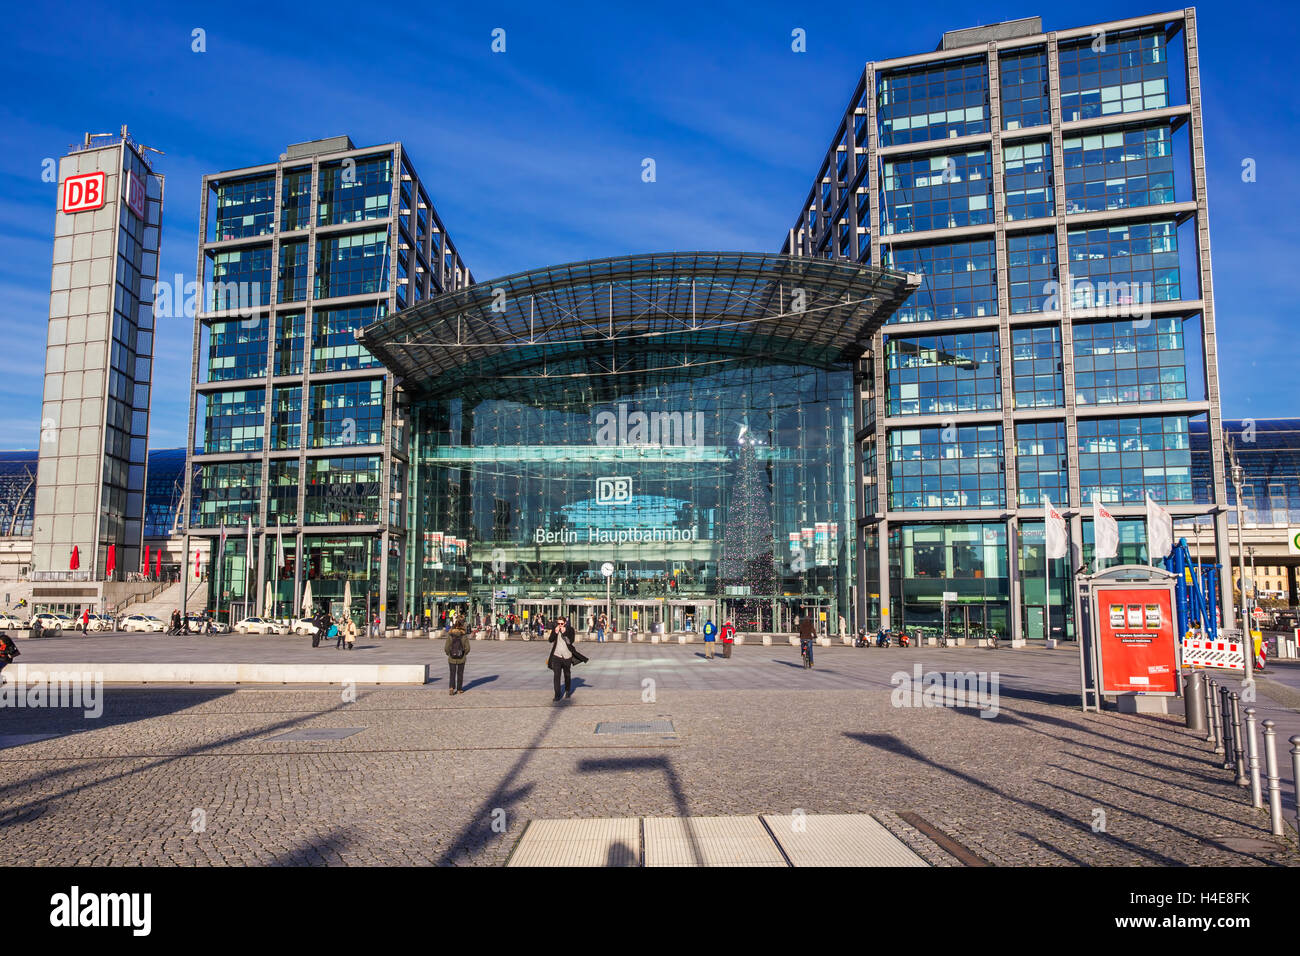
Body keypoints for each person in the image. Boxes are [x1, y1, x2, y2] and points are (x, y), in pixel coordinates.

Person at [548, 617, 588, 701]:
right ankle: (557, 695)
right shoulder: (556, 629)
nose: (560, 625)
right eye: (558, 623)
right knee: (556, 676)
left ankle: (567, 690)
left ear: (565, 623)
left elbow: (570, 641)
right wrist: (555, 632)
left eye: (561, 624)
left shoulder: (570, 630)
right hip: (557, 656)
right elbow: (550, 640)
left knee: (567, 674)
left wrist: (564, 633)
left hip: (567, 656)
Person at [445, 616, 469, 695]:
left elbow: (446, 647)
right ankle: (459, 689)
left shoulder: (450, 634)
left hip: (451, 658)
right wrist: (464, 654)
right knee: (460, 673)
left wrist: (449, 654)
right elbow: (468, 648)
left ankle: (451, 688)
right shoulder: (464, 635)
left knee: (452, 673)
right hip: (461, 657)